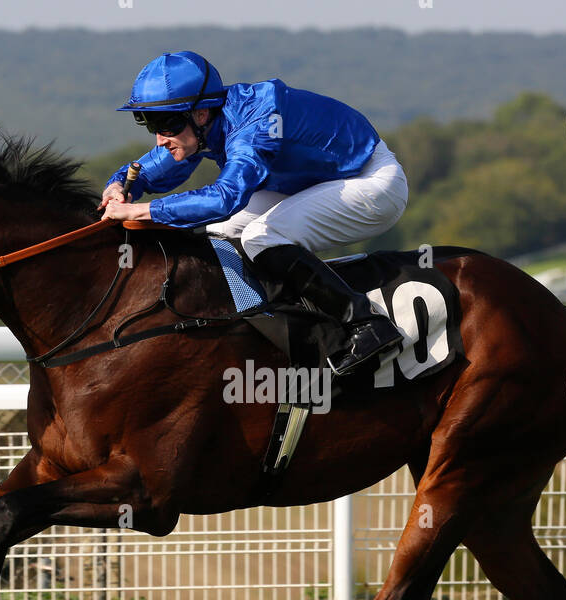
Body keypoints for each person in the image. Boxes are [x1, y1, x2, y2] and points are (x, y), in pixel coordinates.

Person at [99, 51, 408, 376]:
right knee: (222, 233)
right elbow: (155, 167)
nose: (160, 138)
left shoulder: (255, 124)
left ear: (201, 114)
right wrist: (118, 185)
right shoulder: (204, 123)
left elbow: (225, 198)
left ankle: (365, 322)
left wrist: (141, 211)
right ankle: (261, 322)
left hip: (370, 181)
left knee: (261, 237)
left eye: (167, 124)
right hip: (309, 182)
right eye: (151, 124)